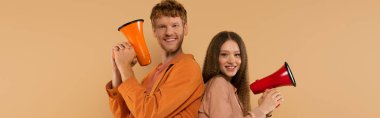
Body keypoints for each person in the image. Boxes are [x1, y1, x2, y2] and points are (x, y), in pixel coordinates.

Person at [105, 0, 204, 117]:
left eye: (175, 25)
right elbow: (124, 114)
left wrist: (125, 67)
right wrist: (118, 70)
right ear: (154, 31)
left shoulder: (188, 67)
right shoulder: (150, 76)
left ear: (185, 28)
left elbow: (148, 113)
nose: (169, 32)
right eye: (162, 26)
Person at [198, 31, 284, 118]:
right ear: (214, 57)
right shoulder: (218, 83)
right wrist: (262, 109)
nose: (232, 61)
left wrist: (267, 113)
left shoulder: (231, 90)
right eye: (224, 54)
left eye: (237, 55)